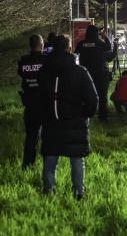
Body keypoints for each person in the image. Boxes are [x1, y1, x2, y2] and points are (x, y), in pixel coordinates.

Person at [39, 35, 98, 199]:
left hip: (51, 121)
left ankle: (49, 191)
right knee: (77, 158)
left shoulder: (44, 71)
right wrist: (86, 114)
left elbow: (39, 97)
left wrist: (46, 114)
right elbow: (93, 99)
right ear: (69, 48)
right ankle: (78, 192)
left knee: (50, 157)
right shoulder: (80, 72)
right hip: (75, 121)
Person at [17, 34, 47, 169]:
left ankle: (28, 165)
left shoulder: (23, 61)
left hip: (29, 103)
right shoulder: (46, 60)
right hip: (44, 103)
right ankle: (49, 166)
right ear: (41, 45)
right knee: (47, 136)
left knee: (31, 137)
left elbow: (21, 74)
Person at [75, 25, 115, 120]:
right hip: (100, 73)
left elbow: (76, 54)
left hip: (85, 74)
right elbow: (108, 48)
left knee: (85, 95)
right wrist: (105, 37)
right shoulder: (100, 43)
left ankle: (86, 115)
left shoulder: (81, 44)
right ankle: (103, 116)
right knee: (102, 96)